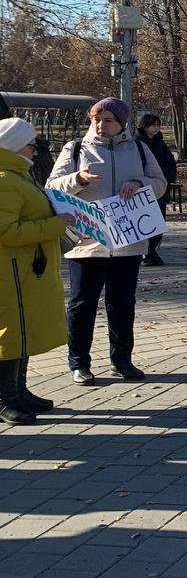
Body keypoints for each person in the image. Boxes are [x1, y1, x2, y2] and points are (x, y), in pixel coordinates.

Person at [48, 97, 167, 384]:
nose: (101, 125)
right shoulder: (76, 148)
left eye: (108, 120)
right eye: (96, 119)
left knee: (122, 303)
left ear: (122, 123)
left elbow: (160, 183)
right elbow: (52, 186)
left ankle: (122, 360)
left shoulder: (139, 149)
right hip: (87, 242)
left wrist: (139, 183)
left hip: (128, 241)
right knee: (82, 304)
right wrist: (78, 179)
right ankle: (79, 363)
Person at [0, 118, 71, 424]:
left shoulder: (18, 175)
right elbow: (6, 232)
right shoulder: (5, 179)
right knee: (10, 334)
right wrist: (57, 224)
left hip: (25, 272)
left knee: (24, 330)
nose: (36, 149)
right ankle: (5, 399)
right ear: (15, 145)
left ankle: (19, 391)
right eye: (31, 143)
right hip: (11, 275)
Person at [136, 113, 178, 266]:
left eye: (158, 125)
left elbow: (169, 162)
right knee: (146, 222)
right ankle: (145, 252)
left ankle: (151, 251)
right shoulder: (137, 143)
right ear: (144, 126)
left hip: (161, 188)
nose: (156, 128)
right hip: (143, 189)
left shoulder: (160, 143)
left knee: (159, 223)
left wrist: (168, 179)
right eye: (153, 125)